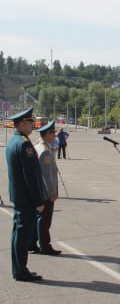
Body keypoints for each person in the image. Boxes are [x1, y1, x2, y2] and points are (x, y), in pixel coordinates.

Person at [6, 106, 45, 281]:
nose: (33, 125)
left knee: (18, 233)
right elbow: (30, 176)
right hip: (27, 198)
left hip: (18, 195)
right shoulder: (25, 144)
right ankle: (20, 271)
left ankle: (19, 268)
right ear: (22, 123)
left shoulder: (14, 141)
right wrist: (38, 200)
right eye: (31, 122)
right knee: (22, 235)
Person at [31, 121, 61, 255]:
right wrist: (51, 192)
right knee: (44, 220)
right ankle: (45, 245)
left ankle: (31, 243)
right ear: (47, 134)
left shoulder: (39, 146)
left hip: (39, 190)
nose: (55, 135)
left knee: (38, 218)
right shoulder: (45, 152)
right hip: (45, 192)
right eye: (53, 132)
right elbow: (47, 175)